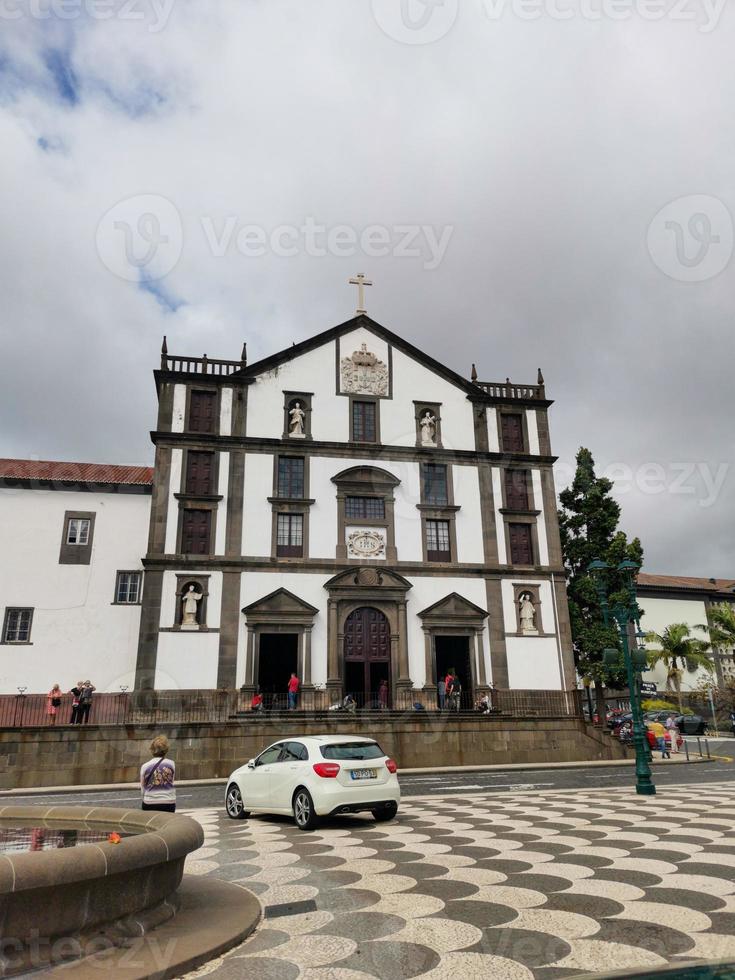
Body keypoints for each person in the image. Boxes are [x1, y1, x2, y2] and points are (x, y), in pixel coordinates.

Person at [140, 735, 176, 812]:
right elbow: (171, 782)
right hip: (168, 802)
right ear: (166, 750)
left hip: (149, 802)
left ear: (152, 750)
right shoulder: (171, 764)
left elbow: (143, 789)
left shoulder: (145, 766)